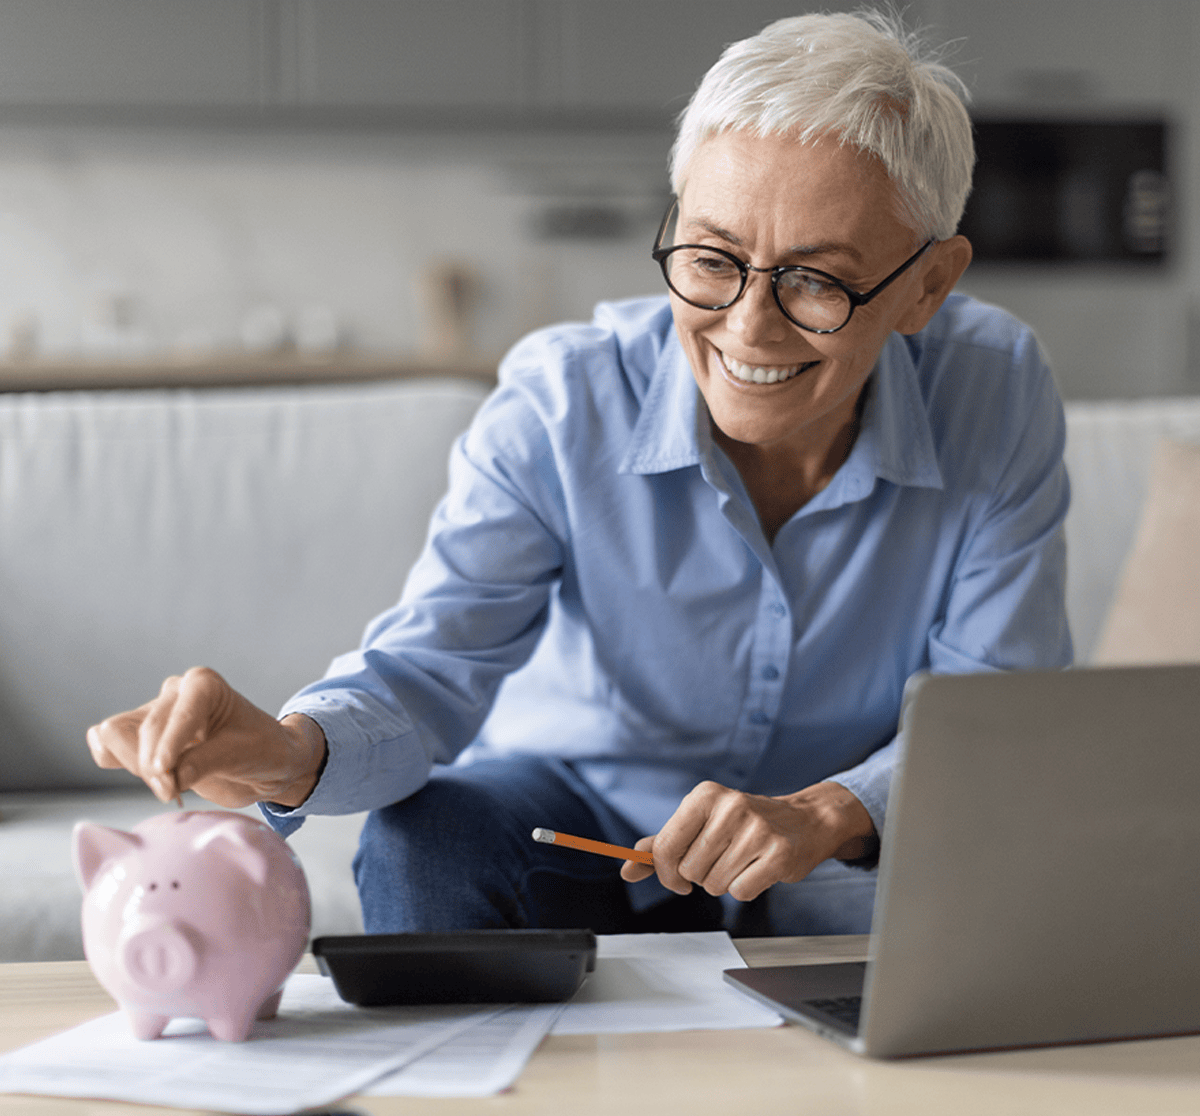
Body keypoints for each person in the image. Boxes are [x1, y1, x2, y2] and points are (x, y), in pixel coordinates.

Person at [87, 9, 1071, 938]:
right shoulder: (563, 402)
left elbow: (998, 712)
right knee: (423, 847)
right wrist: (288, 752)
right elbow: (428, 675)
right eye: (713, 258)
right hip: (579, 827)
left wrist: (828, 812)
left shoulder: (995, 389)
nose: (747, 327)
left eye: (816, 279)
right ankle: (470, 1115)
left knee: (1061, 885)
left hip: (834, 858)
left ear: (929, 286)